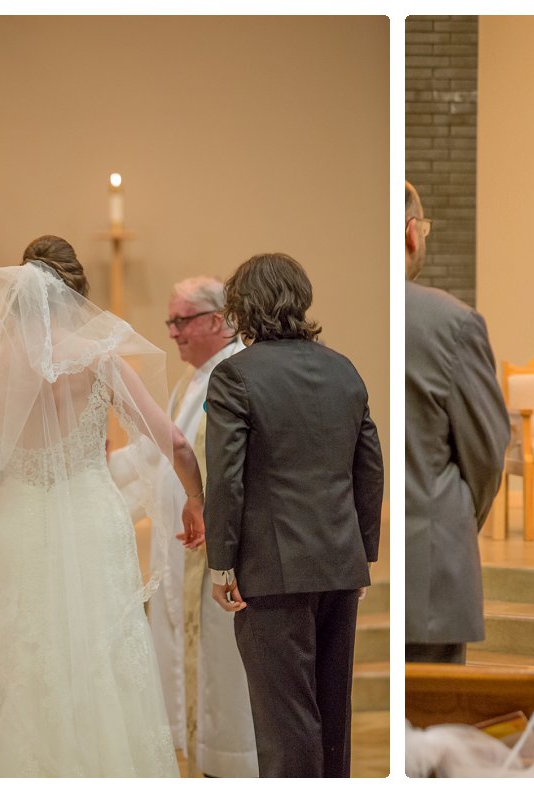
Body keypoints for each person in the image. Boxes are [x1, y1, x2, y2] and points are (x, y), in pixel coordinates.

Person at [0, 235, 200, 776]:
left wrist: (19, 491)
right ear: (77, 292)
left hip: (24, 524)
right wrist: (195, 496)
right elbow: (176, 443)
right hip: (92, 515)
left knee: (30, 660)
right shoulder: (100, 359)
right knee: (102, 652)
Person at [205, 252, 382, 777]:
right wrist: (363, 553)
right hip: (339, 565)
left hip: (271, 569)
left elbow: (227, 478)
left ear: (242, 308)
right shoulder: (343, 369)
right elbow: (368, 468)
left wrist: (222, 563)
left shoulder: (234, 375)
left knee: (286, 724)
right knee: (332, 715)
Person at [113, 276, 255, 776]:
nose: (172, 332)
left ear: (217, 320)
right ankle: (207, 761)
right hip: (184, 552)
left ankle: (234, 766)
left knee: (226, 675)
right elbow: (159, 453)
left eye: (181, 321)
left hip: (222, 558)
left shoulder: (236, 376)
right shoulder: (192, 381)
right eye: (170, 321)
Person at [403, 181, 509, 665]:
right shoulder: (451, 322)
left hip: (348, 564)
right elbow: (486, 449)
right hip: (430, 555)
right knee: (433, 730)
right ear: (410, 234)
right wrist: (459, 521)